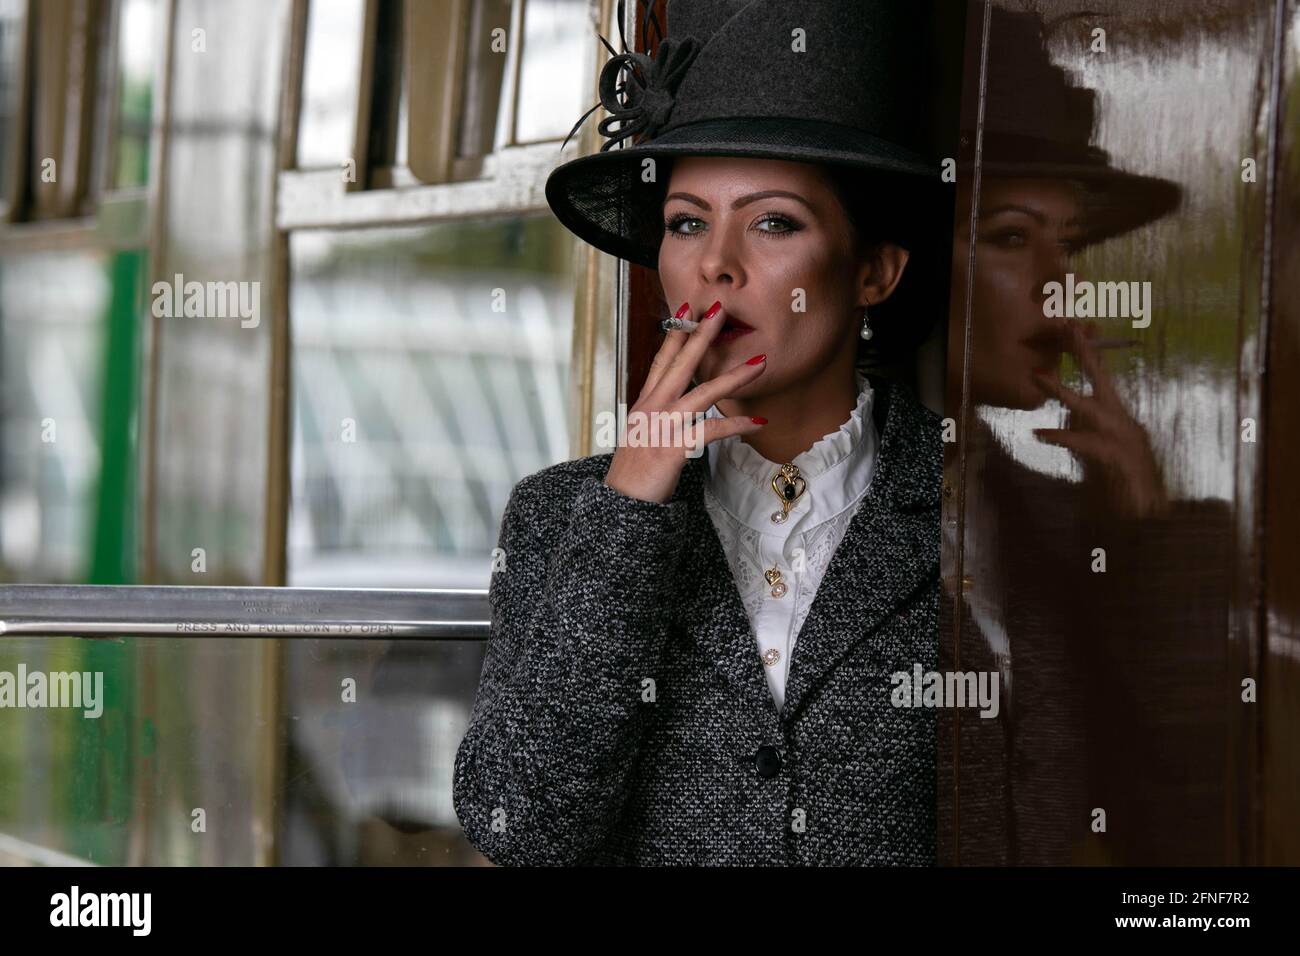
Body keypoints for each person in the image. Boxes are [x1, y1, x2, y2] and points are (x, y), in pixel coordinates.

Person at [453, 0, 953, 865]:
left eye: (773, 222)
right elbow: (518, 828)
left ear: (873, 271)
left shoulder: (976, 500)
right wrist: (631, 507)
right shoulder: (563, 514)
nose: (715, 264)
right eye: (687, 222)